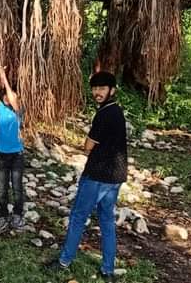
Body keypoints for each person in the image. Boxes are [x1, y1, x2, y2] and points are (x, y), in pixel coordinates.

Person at [48, 72, 127, 282]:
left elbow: (88, 145)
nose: (97, 92)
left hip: (97, 175)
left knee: (78, 217)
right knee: (107, 220)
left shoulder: (104, 113)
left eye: (102, 88)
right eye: (95, 88)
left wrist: (86, 147)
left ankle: (64, 262)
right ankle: (107, 270)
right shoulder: (117, 111)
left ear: (112, 90)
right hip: (115, 176)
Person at [0, 66, 25, 232]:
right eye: (5, 94)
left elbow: (12, 96)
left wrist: (4, 75)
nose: (8, 97)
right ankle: (3, 215)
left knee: (17, 187)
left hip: (17, 155)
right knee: (2, 188)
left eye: (11, 95)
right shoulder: (0, 109)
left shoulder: (18, 111)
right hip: (2, 155)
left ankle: (17, 214)